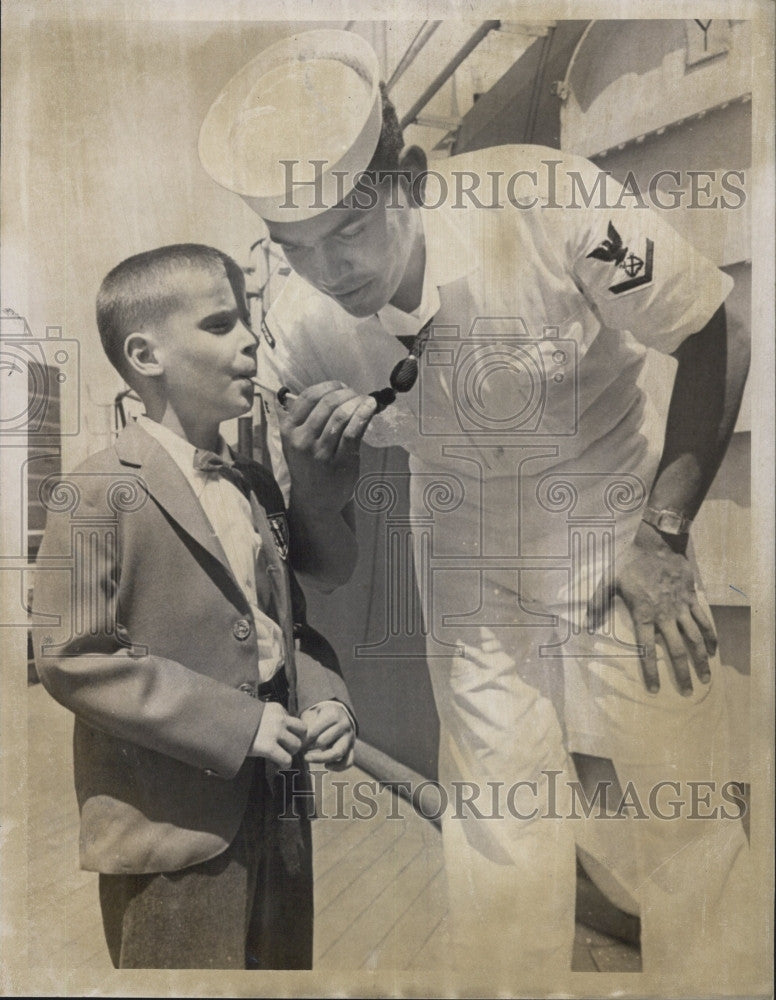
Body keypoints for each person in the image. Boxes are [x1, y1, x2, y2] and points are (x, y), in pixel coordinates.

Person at [198, 30, 754, 987]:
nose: (330, 272)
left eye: (349, 230)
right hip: (464, 550)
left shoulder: (547, 198)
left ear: (408, 175)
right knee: (497, 826)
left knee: (684, 810)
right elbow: (325, 562)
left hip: (615, 518)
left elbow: (715, 329)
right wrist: (315, 469)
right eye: (297, 249)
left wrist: (665, 531)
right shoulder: (296, 332)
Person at [32, 243, 356, 970]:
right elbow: (72, 659)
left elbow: (284, 631)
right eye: (220, 324)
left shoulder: (252, 487)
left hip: (279, 815)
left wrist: (329, 700)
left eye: (249, 321)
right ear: (147, 356)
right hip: (171, 837)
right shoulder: (91, 492)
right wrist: (240, 724)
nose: (250, 341)